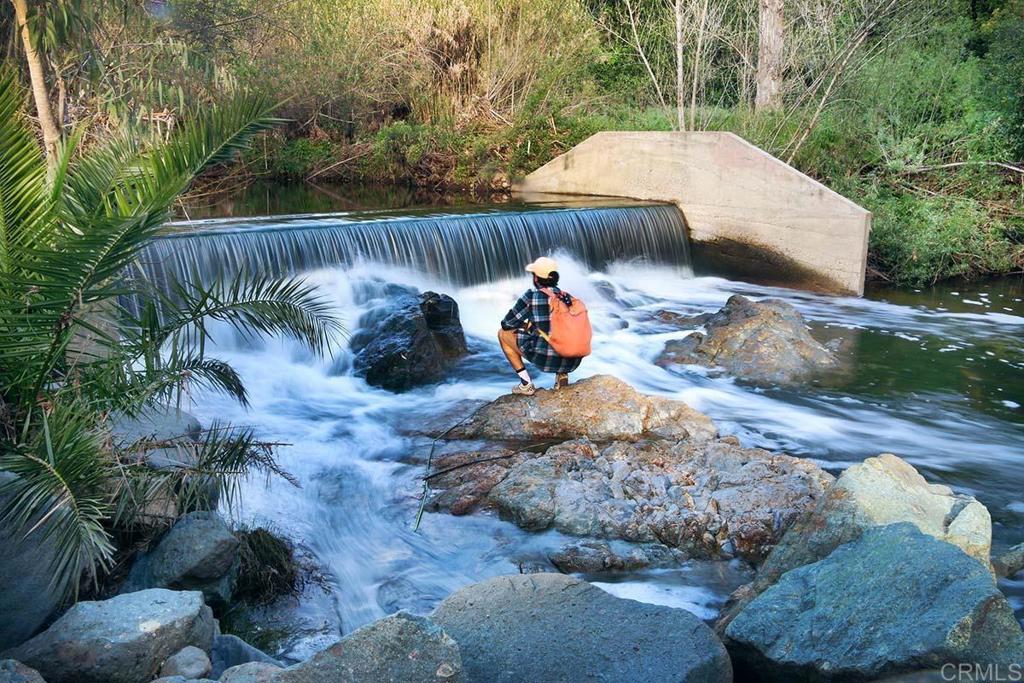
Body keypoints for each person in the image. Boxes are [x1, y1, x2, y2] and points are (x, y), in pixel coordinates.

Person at [497, 256, 583, 396]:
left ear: (536, 278)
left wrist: (525, 325)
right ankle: (562, 374)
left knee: (502, 334)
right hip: (573, 359)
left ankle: (526, 384)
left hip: (547, 358)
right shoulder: (567, 297)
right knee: (556, 332)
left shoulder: (531, 296)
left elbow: (507, 323)